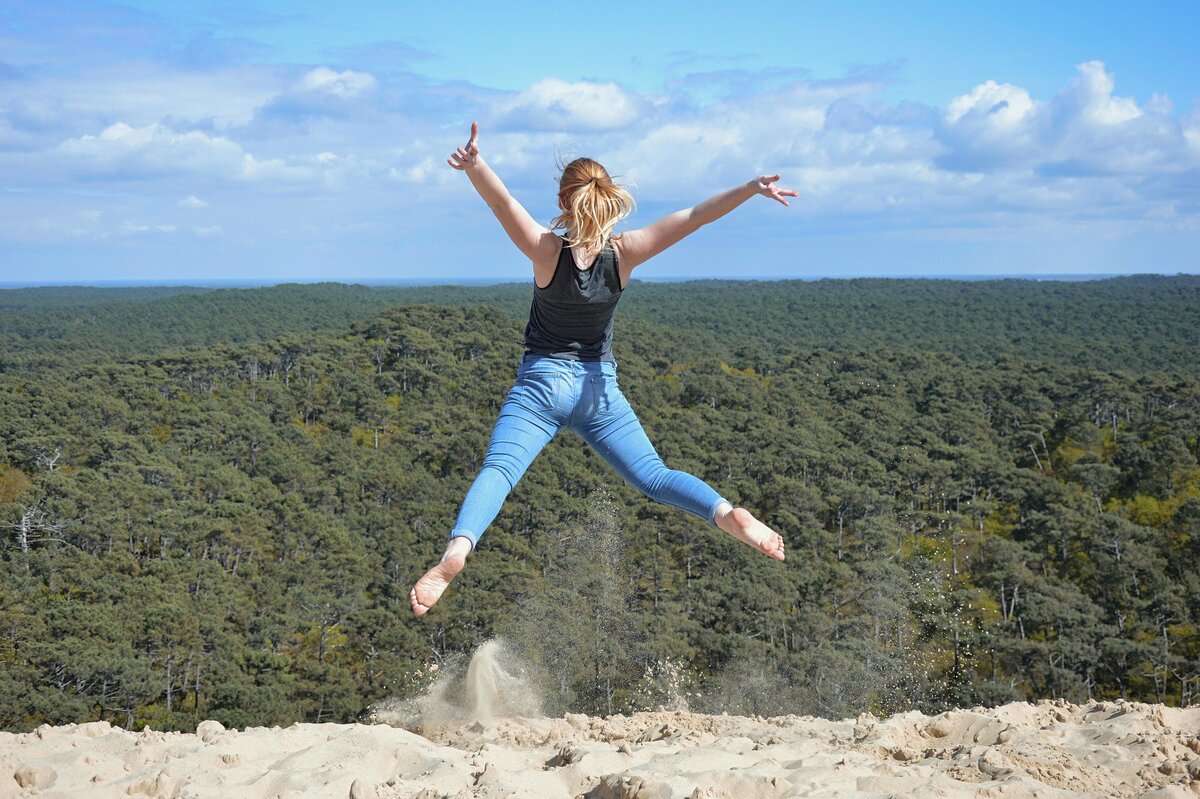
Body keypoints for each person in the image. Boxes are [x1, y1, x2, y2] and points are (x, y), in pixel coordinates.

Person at [410, 122, 796, 617]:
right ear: (605, 198)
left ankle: (455, 554)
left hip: (541, 385)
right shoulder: (625, 254)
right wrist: (750, 187)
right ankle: (725, 512)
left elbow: (502, 205)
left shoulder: (547, 250)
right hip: (599, 391)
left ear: (565, 200)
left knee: (500, 471)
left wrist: (475, 164)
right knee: (655, 477)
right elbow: (696, 216)